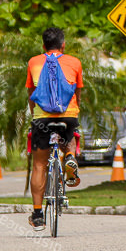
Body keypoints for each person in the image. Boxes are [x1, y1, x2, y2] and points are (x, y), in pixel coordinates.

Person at [26, 27, 83, 231]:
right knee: (70, 134)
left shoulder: (34, 62)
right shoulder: (75, 62)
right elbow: (77, 91)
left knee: (39, 165)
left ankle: (38, 214)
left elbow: (32, 94)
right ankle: (69, 156)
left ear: (43, 46)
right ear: (63, 45)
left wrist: (36, 115)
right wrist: (75, 112)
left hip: (42, 118)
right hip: (68, 115)